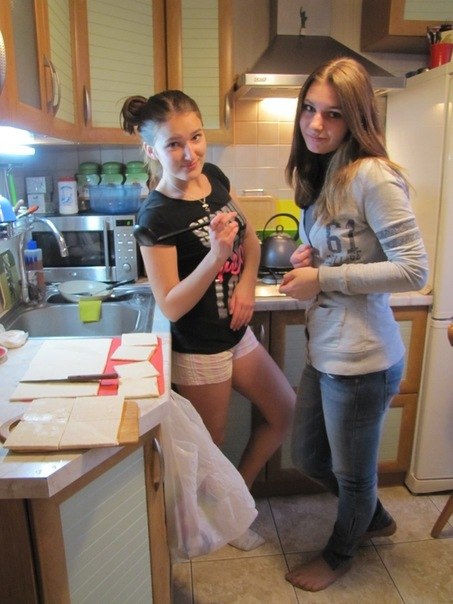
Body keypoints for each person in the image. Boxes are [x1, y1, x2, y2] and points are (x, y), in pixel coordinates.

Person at [120, 90, 295, 550]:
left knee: (283, 410)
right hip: (199, 346)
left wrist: (246, 284)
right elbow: (171, 305)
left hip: (236, 334)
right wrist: (216, 256)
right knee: (208, 450)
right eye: (173, 144)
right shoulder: (155, 216)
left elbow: (250, 240)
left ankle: (237, 504)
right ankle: (205, 528)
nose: (189, 153)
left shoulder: (214, 177)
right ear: (151, 150)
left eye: (195, 137)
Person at [279, 58, 428, 591]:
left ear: (357, 118)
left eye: (334, 114)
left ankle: (340, 553)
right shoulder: (323, 173)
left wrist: (322, 277)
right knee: (308, 456)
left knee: (351, 474)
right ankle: (374, 518)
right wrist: (312, 255)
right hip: (326, 350)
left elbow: (414, 270)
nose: (316, 124)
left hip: (363, 358)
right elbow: (350, 250)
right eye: (310, 109)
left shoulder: (373, 176)